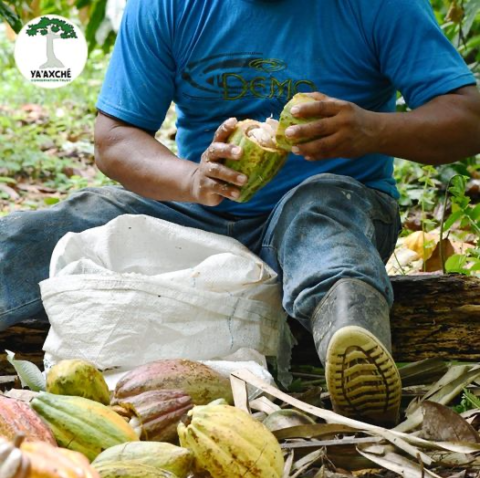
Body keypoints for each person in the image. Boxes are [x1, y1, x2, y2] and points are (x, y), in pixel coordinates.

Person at [1, 0, 479, 426]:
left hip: (332, 207)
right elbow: (114, 138)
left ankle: (351, 340)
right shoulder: (167, 6)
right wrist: (193, 180)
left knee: (319, 213)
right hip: (200, 214)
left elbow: (468, 119)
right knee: (47, 228)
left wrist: (372, 130)